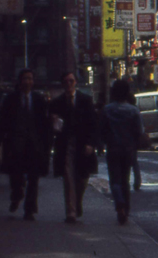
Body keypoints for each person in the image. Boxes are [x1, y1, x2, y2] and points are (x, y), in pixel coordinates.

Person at [0, 69, 50, 220]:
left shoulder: (38, 99)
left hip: (34, 145)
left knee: (33, 177)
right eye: (25, 79)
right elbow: (2, 120)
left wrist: (46, 144)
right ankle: (16, 195)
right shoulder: (11, 99)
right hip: (15, 144)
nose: (28, 82)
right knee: (15, 175)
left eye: (30, 79)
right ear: (20, 81)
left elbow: (44, 124)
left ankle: (29, 210)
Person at [49, 71, 99, 224]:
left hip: (82, 144)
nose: (69, 84)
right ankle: (70, 212)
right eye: (66, 82)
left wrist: (91, 143)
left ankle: (77, 202)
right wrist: (53, 121)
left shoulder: (86, 100)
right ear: (63, 84)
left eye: (71, 81)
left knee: (83, 178)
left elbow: (93, 124)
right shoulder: (57, 103)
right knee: (68, 177)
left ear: (76, 82)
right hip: (66, 144)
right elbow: (52, 127)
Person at [100, 80, 143, 225]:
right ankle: (126, 208)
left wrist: (104, 142)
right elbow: (139, 131)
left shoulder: (107, 110)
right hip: (128, 148)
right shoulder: (133, 110)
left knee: (115, 180)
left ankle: (119, 202)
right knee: (125, 179)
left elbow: (102, 130)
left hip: (113, 148)